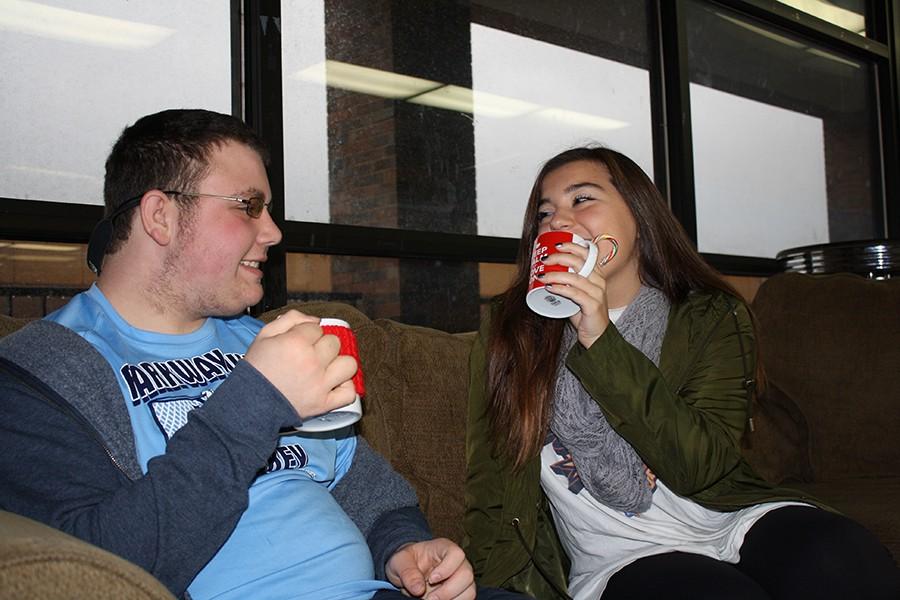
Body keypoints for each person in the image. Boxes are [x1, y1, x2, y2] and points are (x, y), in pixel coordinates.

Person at [0, 108, 525, 600]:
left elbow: (371, 490)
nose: (272, 231)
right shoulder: (41, 371)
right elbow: (92, 572)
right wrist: (257, 399)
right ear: (160, 216)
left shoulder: (263, 340)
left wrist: (402, 548)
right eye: (248, 206)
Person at [464, 146, 900, 600]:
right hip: (622, 555)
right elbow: (489, 477)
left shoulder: (710, 317)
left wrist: (601, 339)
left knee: (844, 559)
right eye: (544, 212)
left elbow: (700, 466)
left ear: (638, 215)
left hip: (731, 517)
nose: (557, 221)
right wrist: (477, 583)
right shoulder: (512, 333)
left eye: (582, 199)